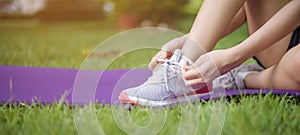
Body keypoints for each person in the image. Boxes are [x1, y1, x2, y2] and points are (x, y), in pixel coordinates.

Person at [119, 0, 300, 106]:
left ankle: (244, 78)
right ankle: (179, 72)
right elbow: (248, 7)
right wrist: (190, 41)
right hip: (280, 39)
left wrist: (232, 58)